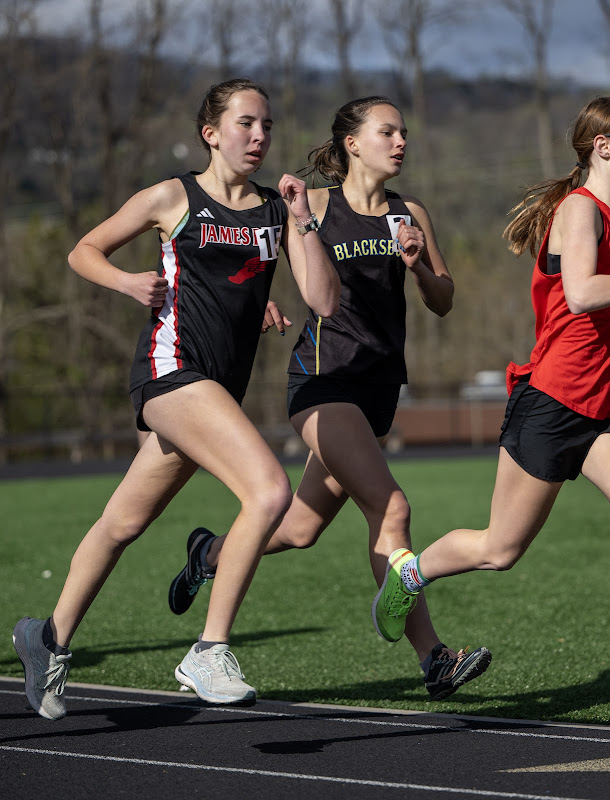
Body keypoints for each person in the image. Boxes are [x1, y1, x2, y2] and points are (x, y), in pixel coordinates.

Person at [12, 77, 340, 720]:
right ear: (210, 134)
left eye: (267, 125)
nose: (259, 135)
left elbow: (324, 301)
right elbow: (83, 251)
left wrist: (302, 221)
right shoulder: (173, 196)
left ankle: (47, 638)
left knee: (123, 524)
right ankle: (210, 649)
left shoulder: (277, 210)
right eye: (245, 123)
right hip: (171, 373)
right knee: (269, 490)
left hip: (216, 389)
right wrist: (128, 282)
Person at [168, 96, 492, 701]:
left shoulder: (410, 212)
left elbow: (443, 300)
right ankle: (434, 659)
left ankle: (207, 553)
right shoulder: (313, 206)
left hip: (379, 390)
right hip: (323, 384)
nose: (400, 142)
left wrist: (419, 267)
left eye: (403, 132)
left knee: (299, 529)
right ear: (352, 143)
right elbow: (243, 256)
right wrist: (257, 300)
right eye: (387, 132)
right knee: (391, 509)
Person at [372, 96, 610, 636]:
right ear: (603, 146)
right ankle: (409, 574)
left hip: (600, 405)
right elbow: (580, 293)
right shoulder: (581, 209)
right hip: (554, 402)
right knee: (499, 549)